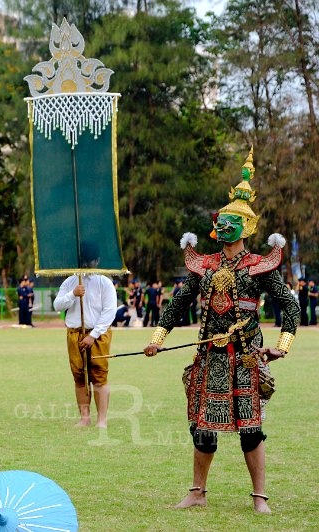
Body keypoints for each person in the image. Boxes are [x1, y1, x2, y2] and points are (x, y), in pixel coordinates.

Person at [143, 149, 299, 514]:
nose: (223, 226)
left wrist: (282, 346)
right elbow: (177, 305)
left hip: (246, 357)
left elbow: (289, 306)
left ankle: (260, 497)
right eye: (221, 220)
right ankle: (197, 491)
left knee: (251, 429)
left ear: (245, 228)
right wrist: (156, 340)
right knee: (202, 427)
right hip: (209, 358)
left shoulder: (260, 266)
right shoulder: (205, 266)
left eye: (230, 220)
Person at [53, 273, 116, 428]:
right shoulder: (69, 282)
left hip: (98, 334)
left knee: (99, 375)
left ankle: (102, 420)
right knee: (79, 376)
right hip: (75, 333)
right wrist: (73, 294)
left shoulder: (104, 282)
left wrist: (93, 335)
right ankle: (85, 418)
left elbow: (109, 311)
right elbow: (58, 305)